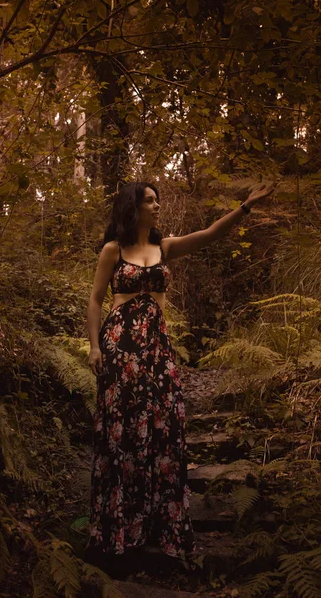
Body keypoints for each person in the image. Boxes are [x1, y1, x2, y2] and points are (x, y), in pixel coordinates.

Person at [84, 181, 275, 574]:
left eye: (157, 200)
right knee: (122, 437)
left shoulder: (164, 247)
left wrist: (245, 208)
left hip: (158, 351)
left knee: (163, 430)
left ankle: (158, 525)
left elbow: (208, 235)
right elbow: (96, 299)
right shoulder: (112, 251)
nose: (157, 206)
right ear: (132, 208)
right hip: (121, 351)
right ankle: (120, 532)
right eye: (149, 200)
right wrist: (94, 347)